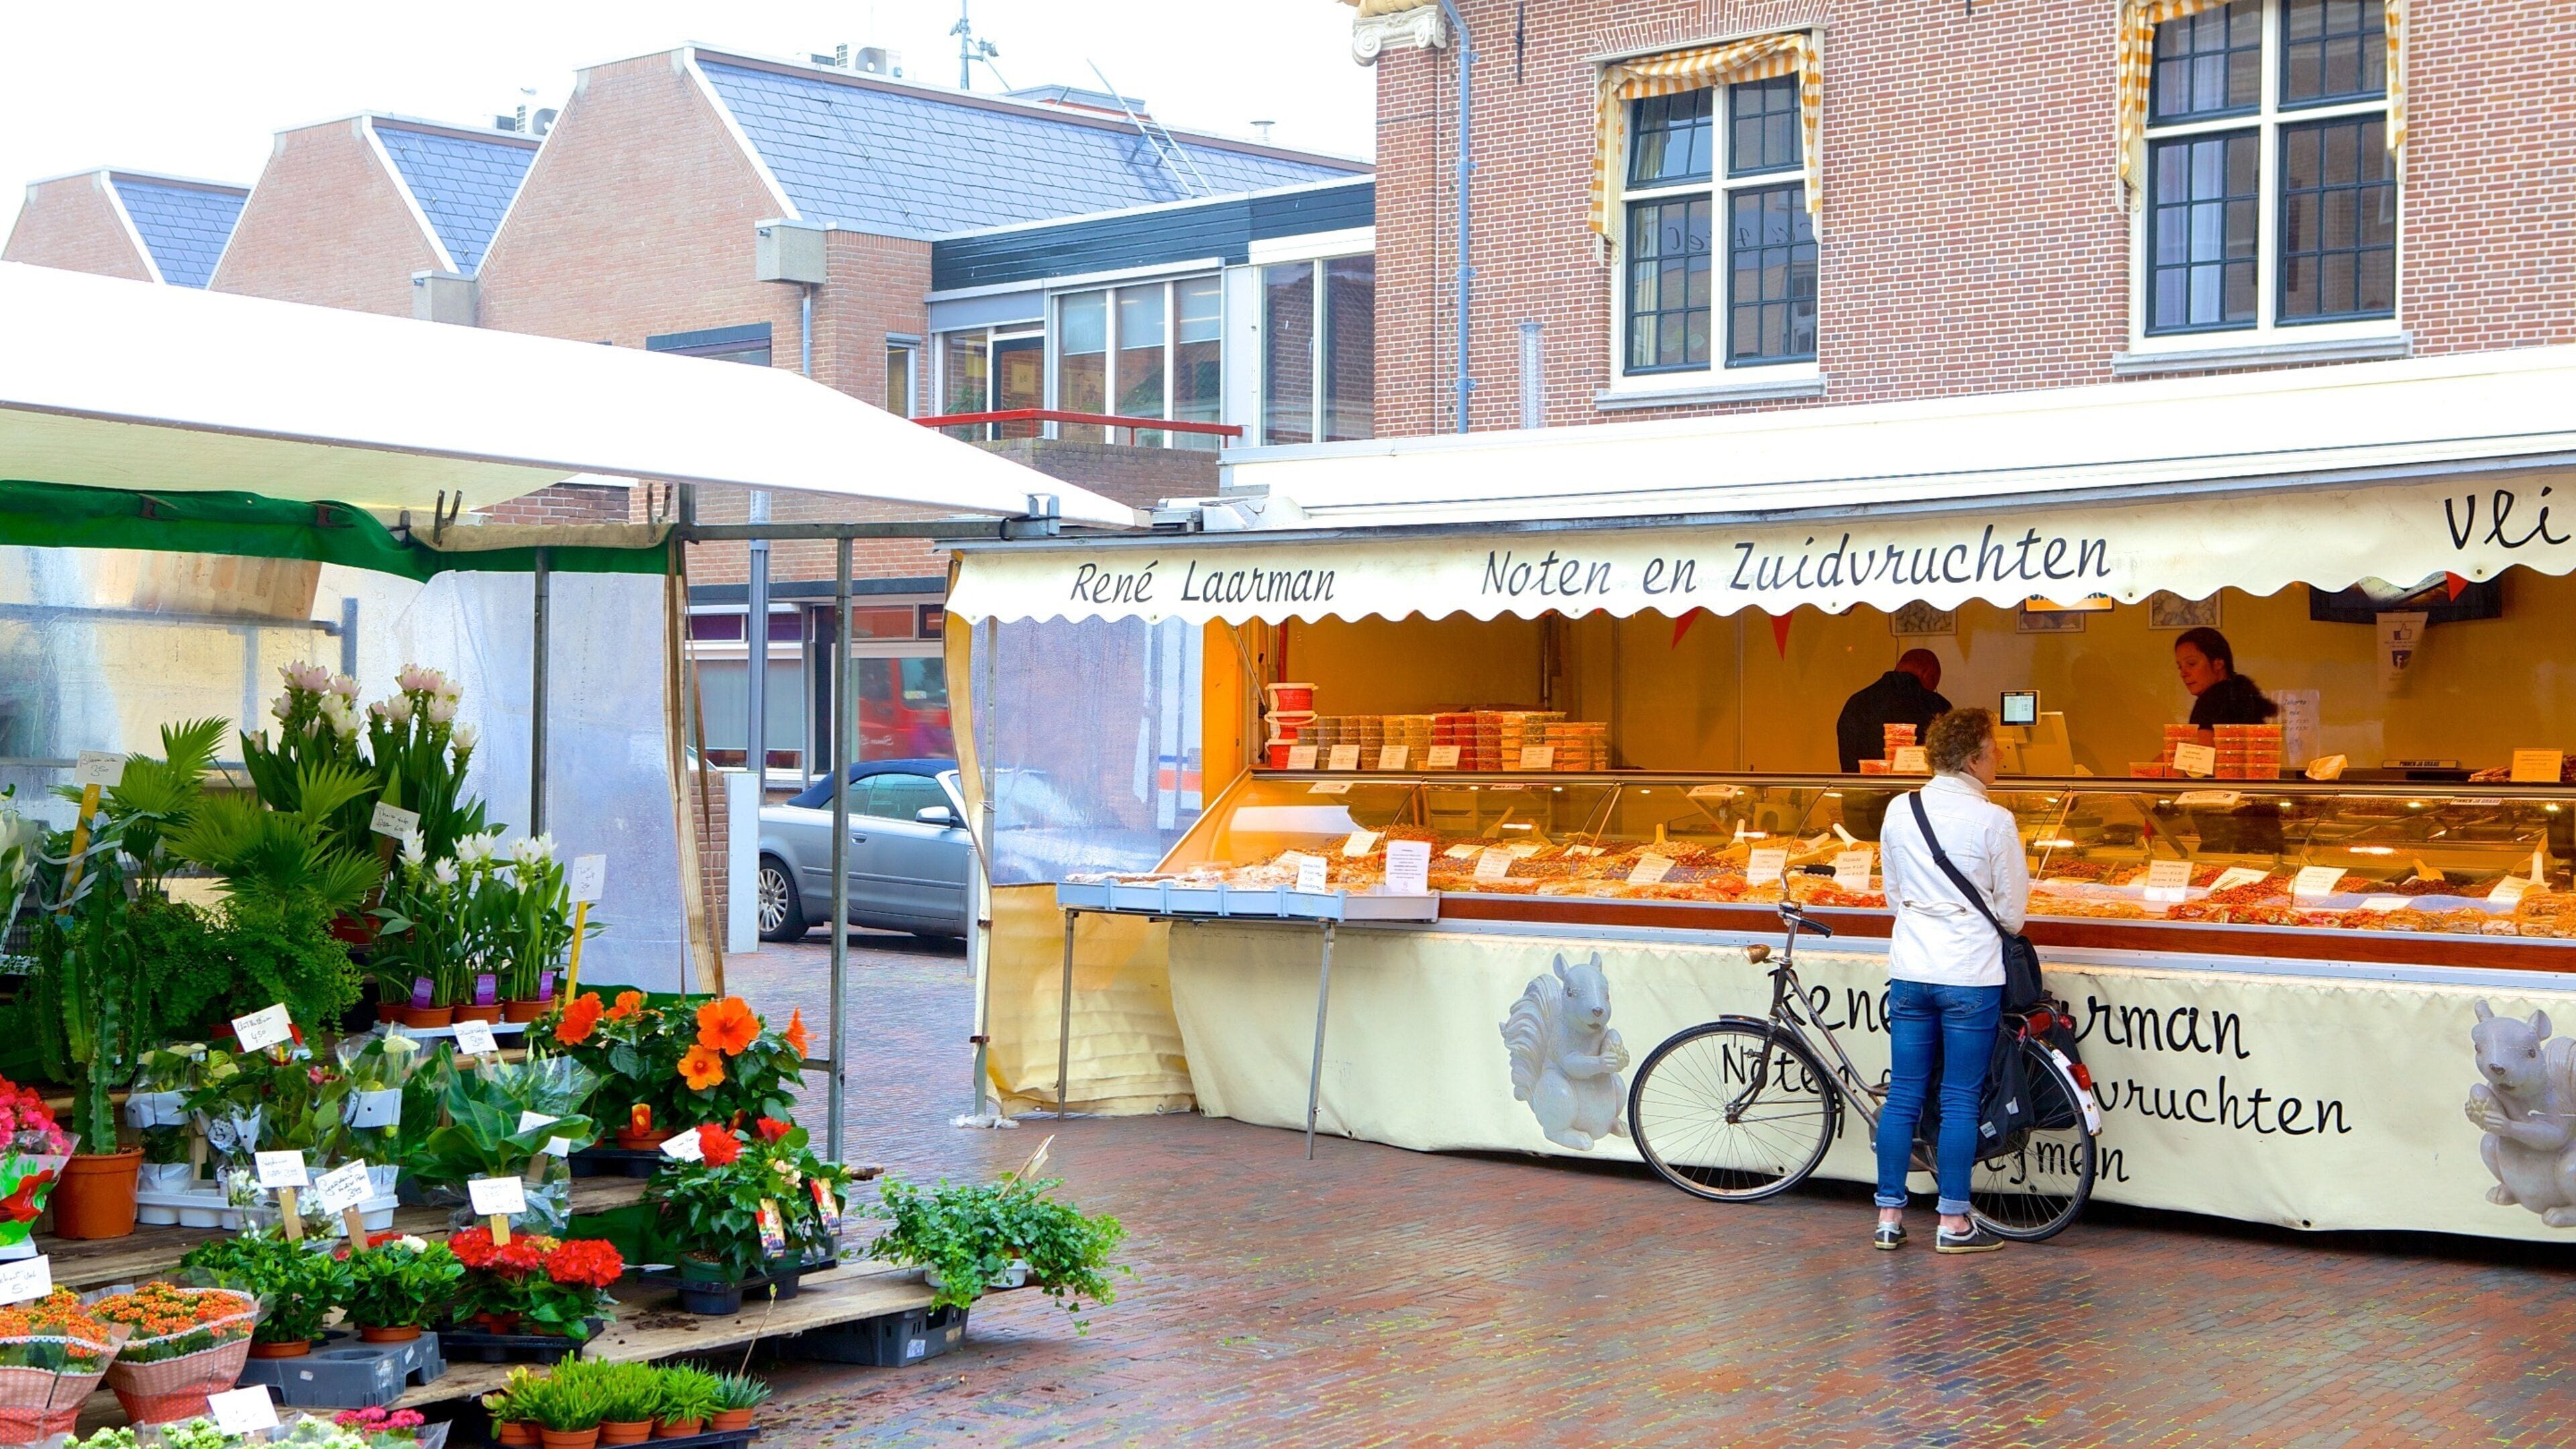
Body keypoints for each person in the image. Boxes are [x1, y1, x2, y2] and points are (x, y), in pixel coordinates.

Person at [1870, 706, 2027, 1254]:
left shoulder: (1899, 808)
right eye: (1994, 746)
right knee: (1960, 1097)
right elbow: (2012, 914)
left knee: (1905, 1095)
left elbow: (1892, 894)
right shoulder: (1994, 820)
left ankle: (1889, 1215)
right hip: (1968, 974)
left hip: (1911, 967)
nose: (2000, 755)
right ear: (1971, 757)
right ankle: (1953, 1222)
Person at [1835, 649, 1953, 771]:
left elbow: (1848, 759)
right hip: (1919, 788)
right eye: (1934, 683)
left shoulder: (1857, 702)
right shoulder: (1937, 705)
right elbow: (1948, 759)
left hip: (1861, 787)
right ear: (1926, 672)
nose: (1932, 690)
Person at [2174, 627, 2278, 727]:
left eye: (2191, 664)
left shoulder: (2210, 701)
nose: (2183, 673)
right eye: (2180, 667)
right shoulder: (2242, 695)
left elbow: (2202, 745)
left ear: (2218, 663)